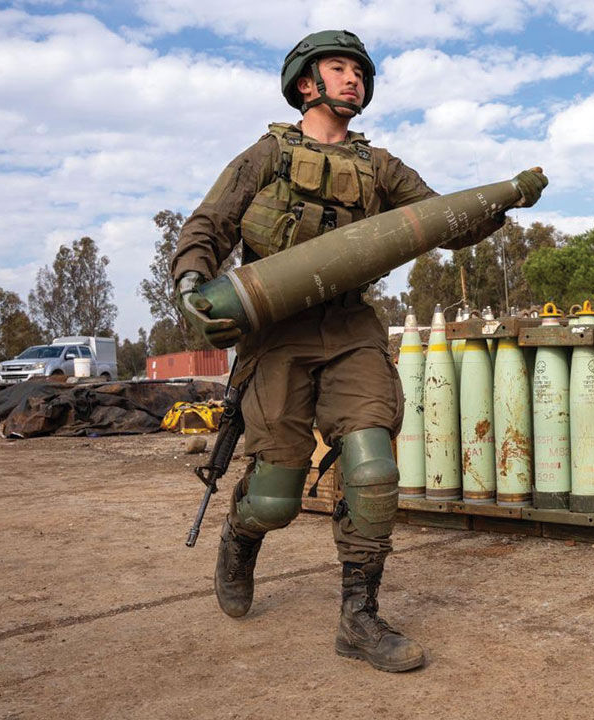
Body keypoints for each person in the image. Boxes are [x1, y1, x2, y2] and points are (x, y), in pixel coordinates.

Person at [170, 30, 539, 672]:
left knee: (373, 470)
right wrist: (190, 286)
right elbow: (208, 227)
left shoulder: (381, 167)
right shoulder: (266, 155)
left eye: (360, 73)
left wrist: (506, 198)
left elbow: (442, 221)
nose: (353, 80)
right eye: (338, 68)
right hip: (275, 334)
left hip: (350, 330)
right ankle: (241, 533)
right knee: (276, 498)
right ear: (305, 83)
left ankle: (358, 619)